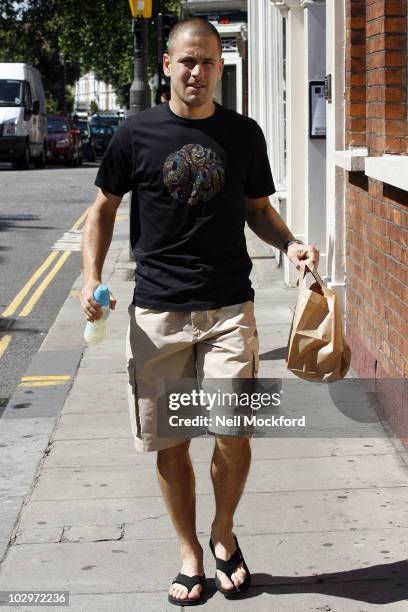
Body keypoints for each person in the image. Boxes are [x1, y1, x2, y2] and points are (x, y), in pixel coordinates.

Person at [80, 17, 319, 606]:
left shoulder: (243, 134)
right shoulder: (135, 135)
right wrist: (91, 279)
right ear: (167, 65)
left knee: (233, 431)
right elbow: (103, 210)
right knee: (170, 442)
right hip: (157, 315)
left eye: (208, 61)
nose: (197, 71)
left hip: (229, 307)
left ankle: (223, 530)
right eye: (187, 61)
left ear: (218, 66)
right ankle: (190, 551)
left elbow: (257, 208)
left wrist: (289, 242)